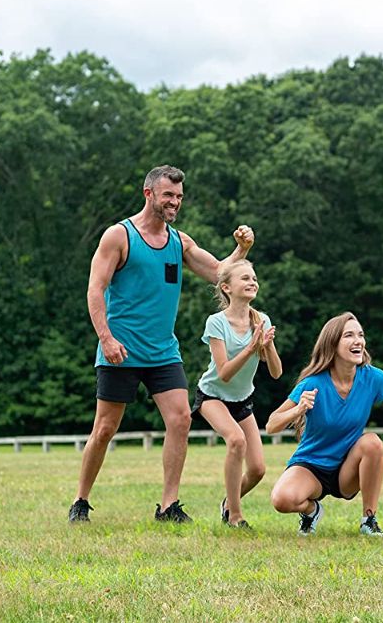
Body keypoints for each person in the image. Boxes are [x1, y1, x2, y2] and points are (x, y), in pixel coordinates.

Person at [69, 165, 254, 524]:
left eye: (179, 197)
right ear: (149, 194)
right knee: (105, 429)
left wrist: (241, 249)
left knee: (181, 418)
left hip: (162, 352)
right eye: (168, 195)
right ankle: (81, 500)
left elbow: (219, 272)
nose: (175, 202)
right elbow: (95, 289)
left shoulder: (178, 242)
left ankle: (168, 506)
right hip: (120, 350)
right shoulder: (118, 237)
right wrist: (105, 338)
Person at [265, 312, 383, 537]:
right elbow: (271, 425)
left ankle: (369, 519)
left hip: (347, 469)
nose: (358, 340)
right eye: (349, 335)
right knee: (282, 500)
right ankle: (312, 511)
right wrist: (298, 410)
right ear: (333, 343)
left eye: (360, 335)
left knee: (372, 443)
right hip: (312, 466)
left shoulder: (373, 377)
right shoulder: (313, 383)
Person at [191, 259, 283, 529]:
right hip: (212, 396)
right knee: (236, 440)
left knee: (257, 470)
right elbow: (224, 374)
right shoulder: (216, 323)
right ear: (226, 287)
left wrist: (267, 345)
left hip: (242, 399)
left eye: (254, 278)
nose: (252, 282)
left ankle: (227, 504)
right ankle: (236, 517)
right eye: (245, 278)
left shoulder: (261, 319)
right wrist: (251, 347)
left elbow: (276, 372)